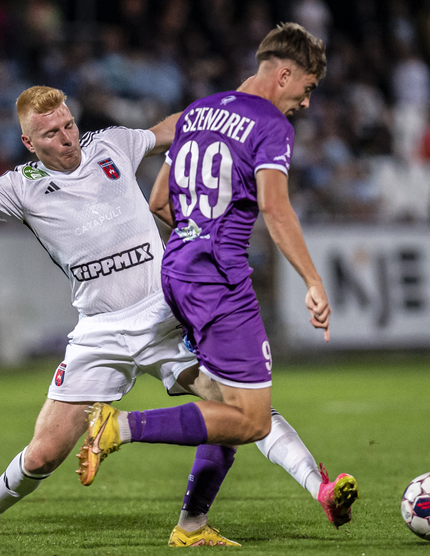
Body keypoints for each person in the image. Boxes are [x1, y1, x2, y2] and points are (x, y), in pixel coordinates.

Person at [0, 84, 350, 547]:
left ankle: (318, 490)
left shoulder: (112, 144)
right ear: (29, 143)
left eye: (69, 125)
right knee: (45, 452)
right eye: (51, 133)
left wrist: (241, 100)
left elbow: (174, 126)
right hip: (99, 331)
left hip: (165, 315)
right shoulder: (20, 186)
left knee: (242, 412)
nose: (66, 137)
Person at [77, 22, 357, 539]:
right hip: (218, 281)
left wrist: (193, 234)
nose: (306, 102)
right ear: (285, 74)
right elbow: (275, 208)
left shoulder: (198, 112)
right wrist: (313, 281)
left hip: (178, 270)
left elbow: (159, 201)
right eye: (308, 88)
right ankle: (120, 426)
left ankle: (192, 524)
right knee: (252, 419)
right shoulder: (270, 125)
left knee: (228, 407)